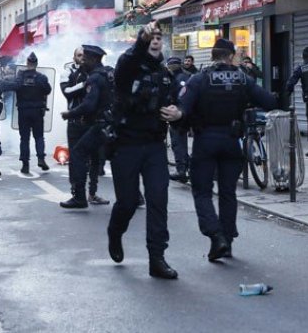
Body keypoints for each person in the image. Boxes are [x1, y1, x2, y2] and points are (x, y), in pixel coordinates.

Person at [169, 38, 276, 261]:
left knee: (202, 191)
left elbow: (183, 107)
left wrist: (177, 115)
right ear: (230, 56)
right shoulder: (242, 79)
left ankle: (215, 235)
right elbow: (269, 101)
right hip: (231, 141)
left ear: (212, 56)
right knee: (228, 192)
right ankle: (227, 239)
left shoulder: (199, 79)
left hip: (205, 140)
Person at [106, 22, 180, 279]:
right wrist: (141, 39)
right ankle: (115, 233)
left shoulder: (165, 74)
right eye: (151, 38)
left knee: (158, 200)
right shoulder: (128, 67)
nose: (156, 41)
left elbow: (178, 103)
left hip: (154, 146)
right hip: (126, 145)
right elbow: (130, 58)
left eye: (159, 37)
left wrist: (177, 113)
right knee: (127, 202)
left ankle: (157, 258)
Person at [60, 45, 112, 208]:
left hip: (98, 123)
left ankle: (84, 196)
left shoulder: (97, 76)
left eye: (85, 57)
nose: (83, 59)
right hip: (89, 123)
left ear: (93, 59)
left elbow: (89, 104)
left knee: (84, 155)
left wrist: (70, 113)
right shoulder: (70, 72)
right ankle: (79, 193)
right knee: (115, 157)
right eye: (80, 56)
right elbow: (67, 91)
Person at [15, 52, 52, 174]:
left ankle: (25, 164)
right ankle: (41, 158)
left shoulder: (20, 76)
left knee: (24, 139)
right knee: (39, 137)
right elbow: (48, 90)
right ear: (36, 64)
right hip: (37, 111)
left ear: (27, 63)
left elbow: (15, 86)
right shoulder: (41, 77)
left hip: (23, 111)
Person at [166, 56, 191, 183]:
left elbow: (173, 96)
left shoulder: (174, 78)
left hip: (179, 114)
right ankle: (189, 166)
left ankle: (181, 170)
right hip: (193, 112)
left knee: (178, 142)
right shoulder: (188, 76)